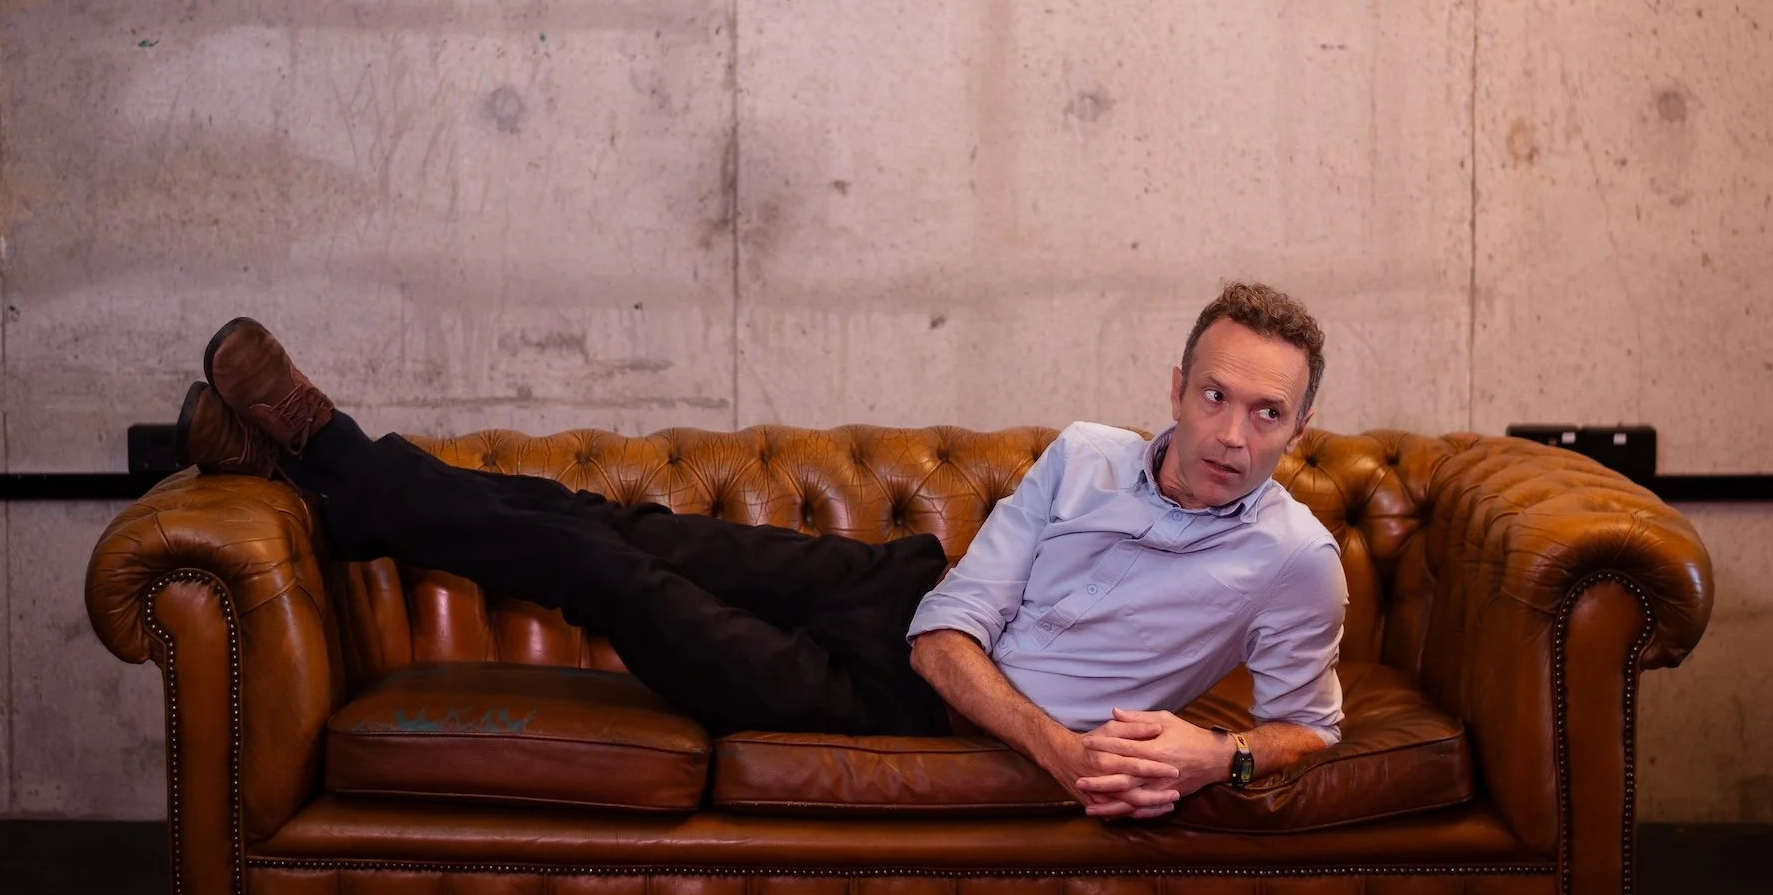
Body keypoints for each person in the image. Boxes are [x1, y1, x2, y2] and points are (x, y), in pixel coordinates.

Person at [176, 280, 1345, 821]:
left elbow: (1314, 727)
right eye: (1215, 396)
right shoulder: (1085, 454)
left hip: (881, 707)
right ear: (1175, 389)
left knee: (604, 574)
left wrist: (1217, 760)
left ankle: (318, 445)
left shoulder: (1294, 562)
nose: (1232, 436)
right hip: (902, 604)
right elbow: (952, 626)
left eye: (1266, 415)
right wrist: (1051, 746)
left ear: (1296, 428)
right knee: (614, 524)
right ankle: (340, 486)